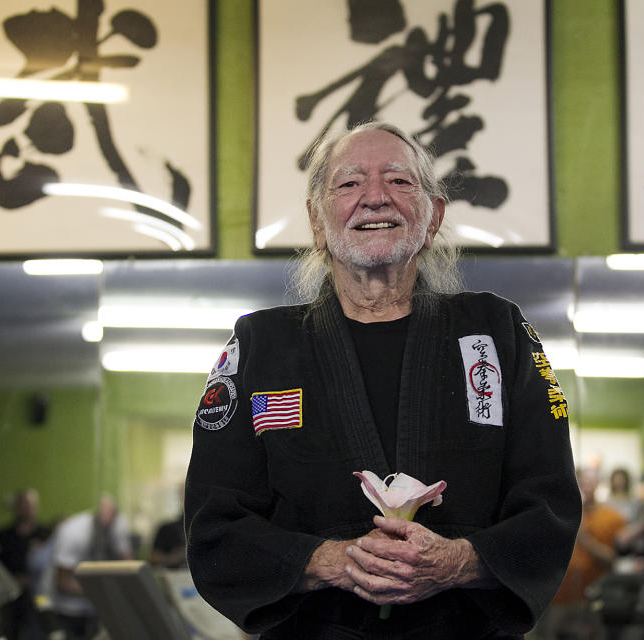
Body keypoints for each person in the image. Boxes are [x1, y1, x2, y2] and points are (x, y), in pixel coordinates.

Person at [184, 121, 582, 640]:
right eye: (349, 184)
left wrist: (458, 560)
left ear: (433, 216)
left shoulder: (497, 332)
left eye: (399, 181)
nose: (374, 198)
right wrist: (330, 560)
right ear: (318, 221)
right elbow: (214, 526)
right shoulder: (261, 346)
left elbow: (550, 504)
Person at [532, 468, 627, 640]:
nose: (587, 487)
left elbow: (612, 559)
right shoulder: (560, 515)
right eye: (583, 482)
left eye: (591, 482)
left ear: (599, 484)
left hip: (591, 600)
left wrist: (586, 541)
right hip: (558, 599)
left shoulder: (613, 518)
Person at [38, 494, 133, 639]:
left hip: (92, 605)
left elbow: (128, 565)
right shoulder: (72, 532)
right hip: (61, 606)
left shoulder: (117, 525)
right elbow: (63, 583)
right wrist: (105, 592)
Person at [0, 488, 51, 640]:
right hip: (9, 594)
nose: (26, 508)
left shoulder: (45, 534)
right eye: (22, 504)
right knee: (8, 630)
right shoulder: (3, 534)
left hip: (36, 594)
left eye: (29, 504)